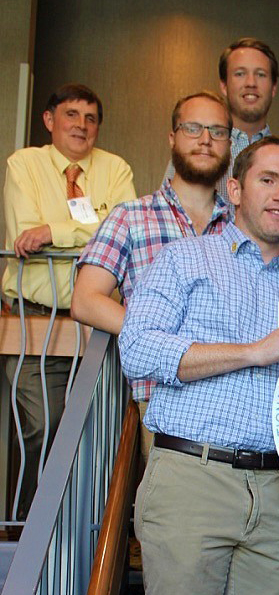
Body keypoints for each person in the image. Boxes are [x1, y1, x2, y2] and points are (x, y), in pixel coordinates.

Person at [120, 136, 279, 595]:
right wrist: (256, 351)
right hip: (191, 481)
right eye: (268, 180)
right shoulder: (183, 259)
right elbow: (137, 350)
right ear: (235, 190)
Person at [71, 91, 232, 460]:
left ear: (229, 144)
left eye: (217, 131)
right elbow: (86, 299)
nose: (205, 139)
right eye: (193, 128)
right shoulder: (130, 216)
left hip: (231, 398)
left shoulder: (240, 227)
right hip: (159, 398)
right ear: (172, 138)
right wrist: (162, 341)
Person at [2, 83, 135, 516]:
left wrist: (54, 232)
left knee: (90, 433)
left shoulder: (115, 169)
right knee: (41, 426)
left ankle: (80, 528)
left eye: (91, 118)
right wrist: (92, 228)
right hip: (32, 321)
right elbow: (25, 231)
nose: (81, 125)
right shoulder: (24, 163)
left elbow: (123, 228)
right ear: (49, 120)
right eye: (72, 115)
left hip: (96, 326)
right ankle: (26, 528)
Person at [165, 37, 279, 311]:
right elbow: (167, 226)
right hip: (208, 307)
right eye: (240, 73)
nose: (250, 83)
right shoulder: (200, 152)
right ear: (223, 85)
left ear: (274, 88)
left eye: (261, 75)